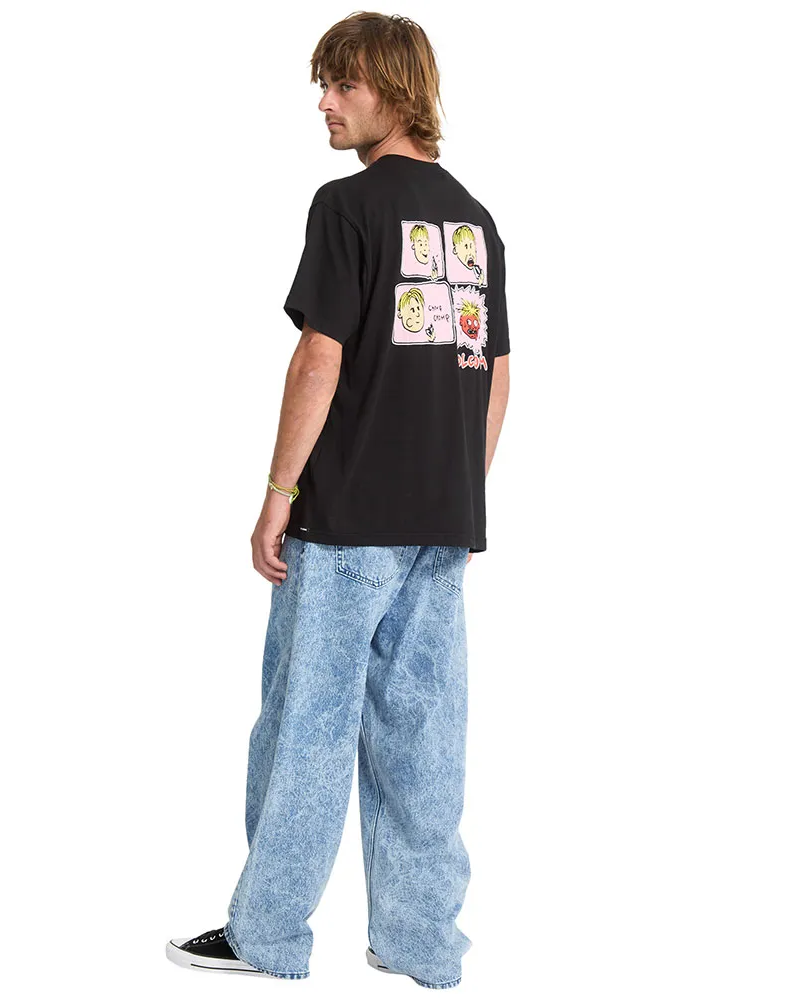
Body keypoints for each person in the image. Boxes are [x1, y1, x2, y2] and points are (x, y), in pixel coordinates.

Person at [166, 12, 510, 989]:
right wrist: (459, 493)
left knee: (304, 731)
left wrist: (278, 492)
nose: (323, 102)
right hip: (440, 526)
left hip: (347, 515)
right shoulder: (475, 220)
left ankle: (269, 935)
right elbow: (497, 371)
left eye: (341, 84)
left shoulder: (347, 206)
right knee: (421, 740)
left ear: (394, 89)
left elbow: (321, 355)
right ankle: (419, 943)